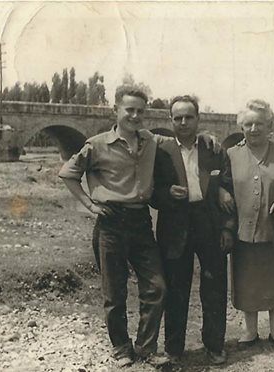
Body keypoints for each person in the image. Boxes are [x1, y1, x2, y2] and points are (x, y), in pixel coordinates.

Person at [58, 86, 170, 368]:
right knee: (114, 293)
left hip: (141, 222)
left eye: (140, 111)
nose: (135, 115)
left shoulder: (150, 140)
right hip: (111, 223)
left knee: (156, 287)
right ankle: (121, 347)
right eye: (129, 110)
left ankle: (145, 347)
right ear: (116, 111)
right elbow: (68, 174)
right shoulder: (96, 145)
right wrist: (91, 205)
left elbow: (181, 142)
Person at [150, 95, 234, 365]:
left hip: (208, 221)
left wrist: (227, 228)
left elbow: (229, 186)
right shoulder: (160, 150)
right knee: (175, 289)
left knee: (214, 286)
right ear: (170, 120)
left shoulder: (213, 148)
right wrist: (166, 193)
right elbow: (150, 193)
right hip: (174, 223)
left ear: (199, 119)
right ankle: (174, 348)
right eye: (178, 117)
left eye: (189, 117)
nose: (183, 122)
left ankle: (214, 345)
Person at [222, 99, 274, 348]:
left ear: (269, 125)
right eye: (248, 124)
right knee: (247, 279)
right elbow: (222, 183)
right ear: (241, 127)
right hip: (243, 230)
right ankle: (250, 331)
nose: (254, 128)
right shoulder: (232, 154)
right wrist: (221, 193)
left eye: (259, 123)